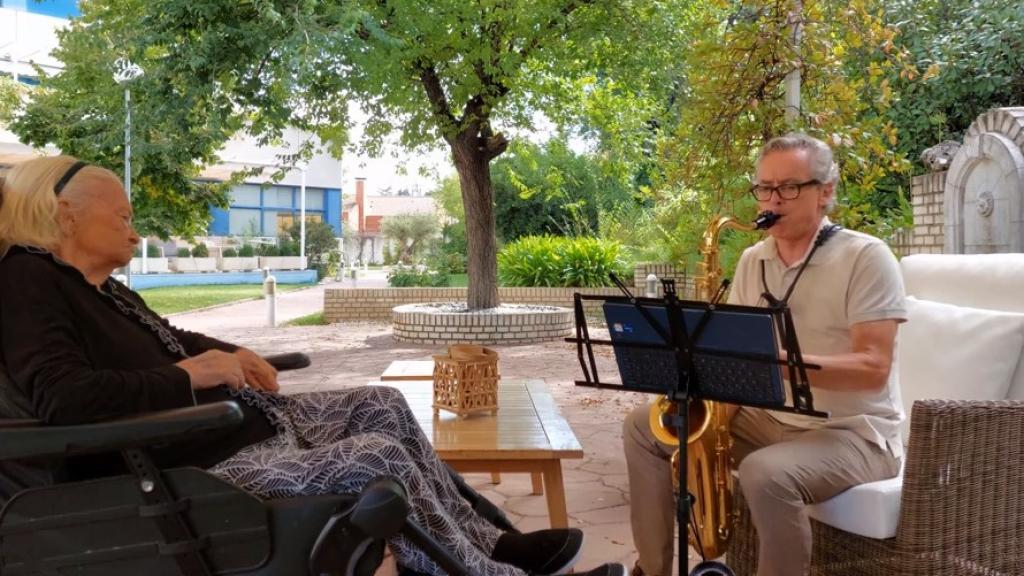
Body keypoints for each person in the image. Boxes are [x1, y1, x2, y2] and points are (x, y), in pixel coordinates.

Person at [0, 155, 624, 576]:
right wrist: (195, 375)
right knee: (373, 455)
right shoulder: (29, 282)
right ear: (66, 213)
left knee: (380, 405)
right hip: (193, 467)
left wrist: (232, 353)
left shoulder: (98, 287)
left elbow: (167, 337)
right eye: (124, 216)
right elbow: (64, 399)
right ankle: (481, 572)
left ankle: (493, 540)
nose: (135, 232)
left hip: (237, 429)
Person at [623, 133, 906, 576]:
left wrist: (780, 365)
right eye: (764, 188)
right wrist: (709, 420)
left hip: (855, 434)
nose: (773, 199)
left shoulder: (866, 257)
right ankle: (652, 570)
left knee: (765, 473)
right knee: (645, 427)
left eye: (789, 187)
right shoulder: (754, 259)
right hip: (770, 419)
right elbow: (734, 358)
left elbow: (873, 368)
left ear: (825, 191)